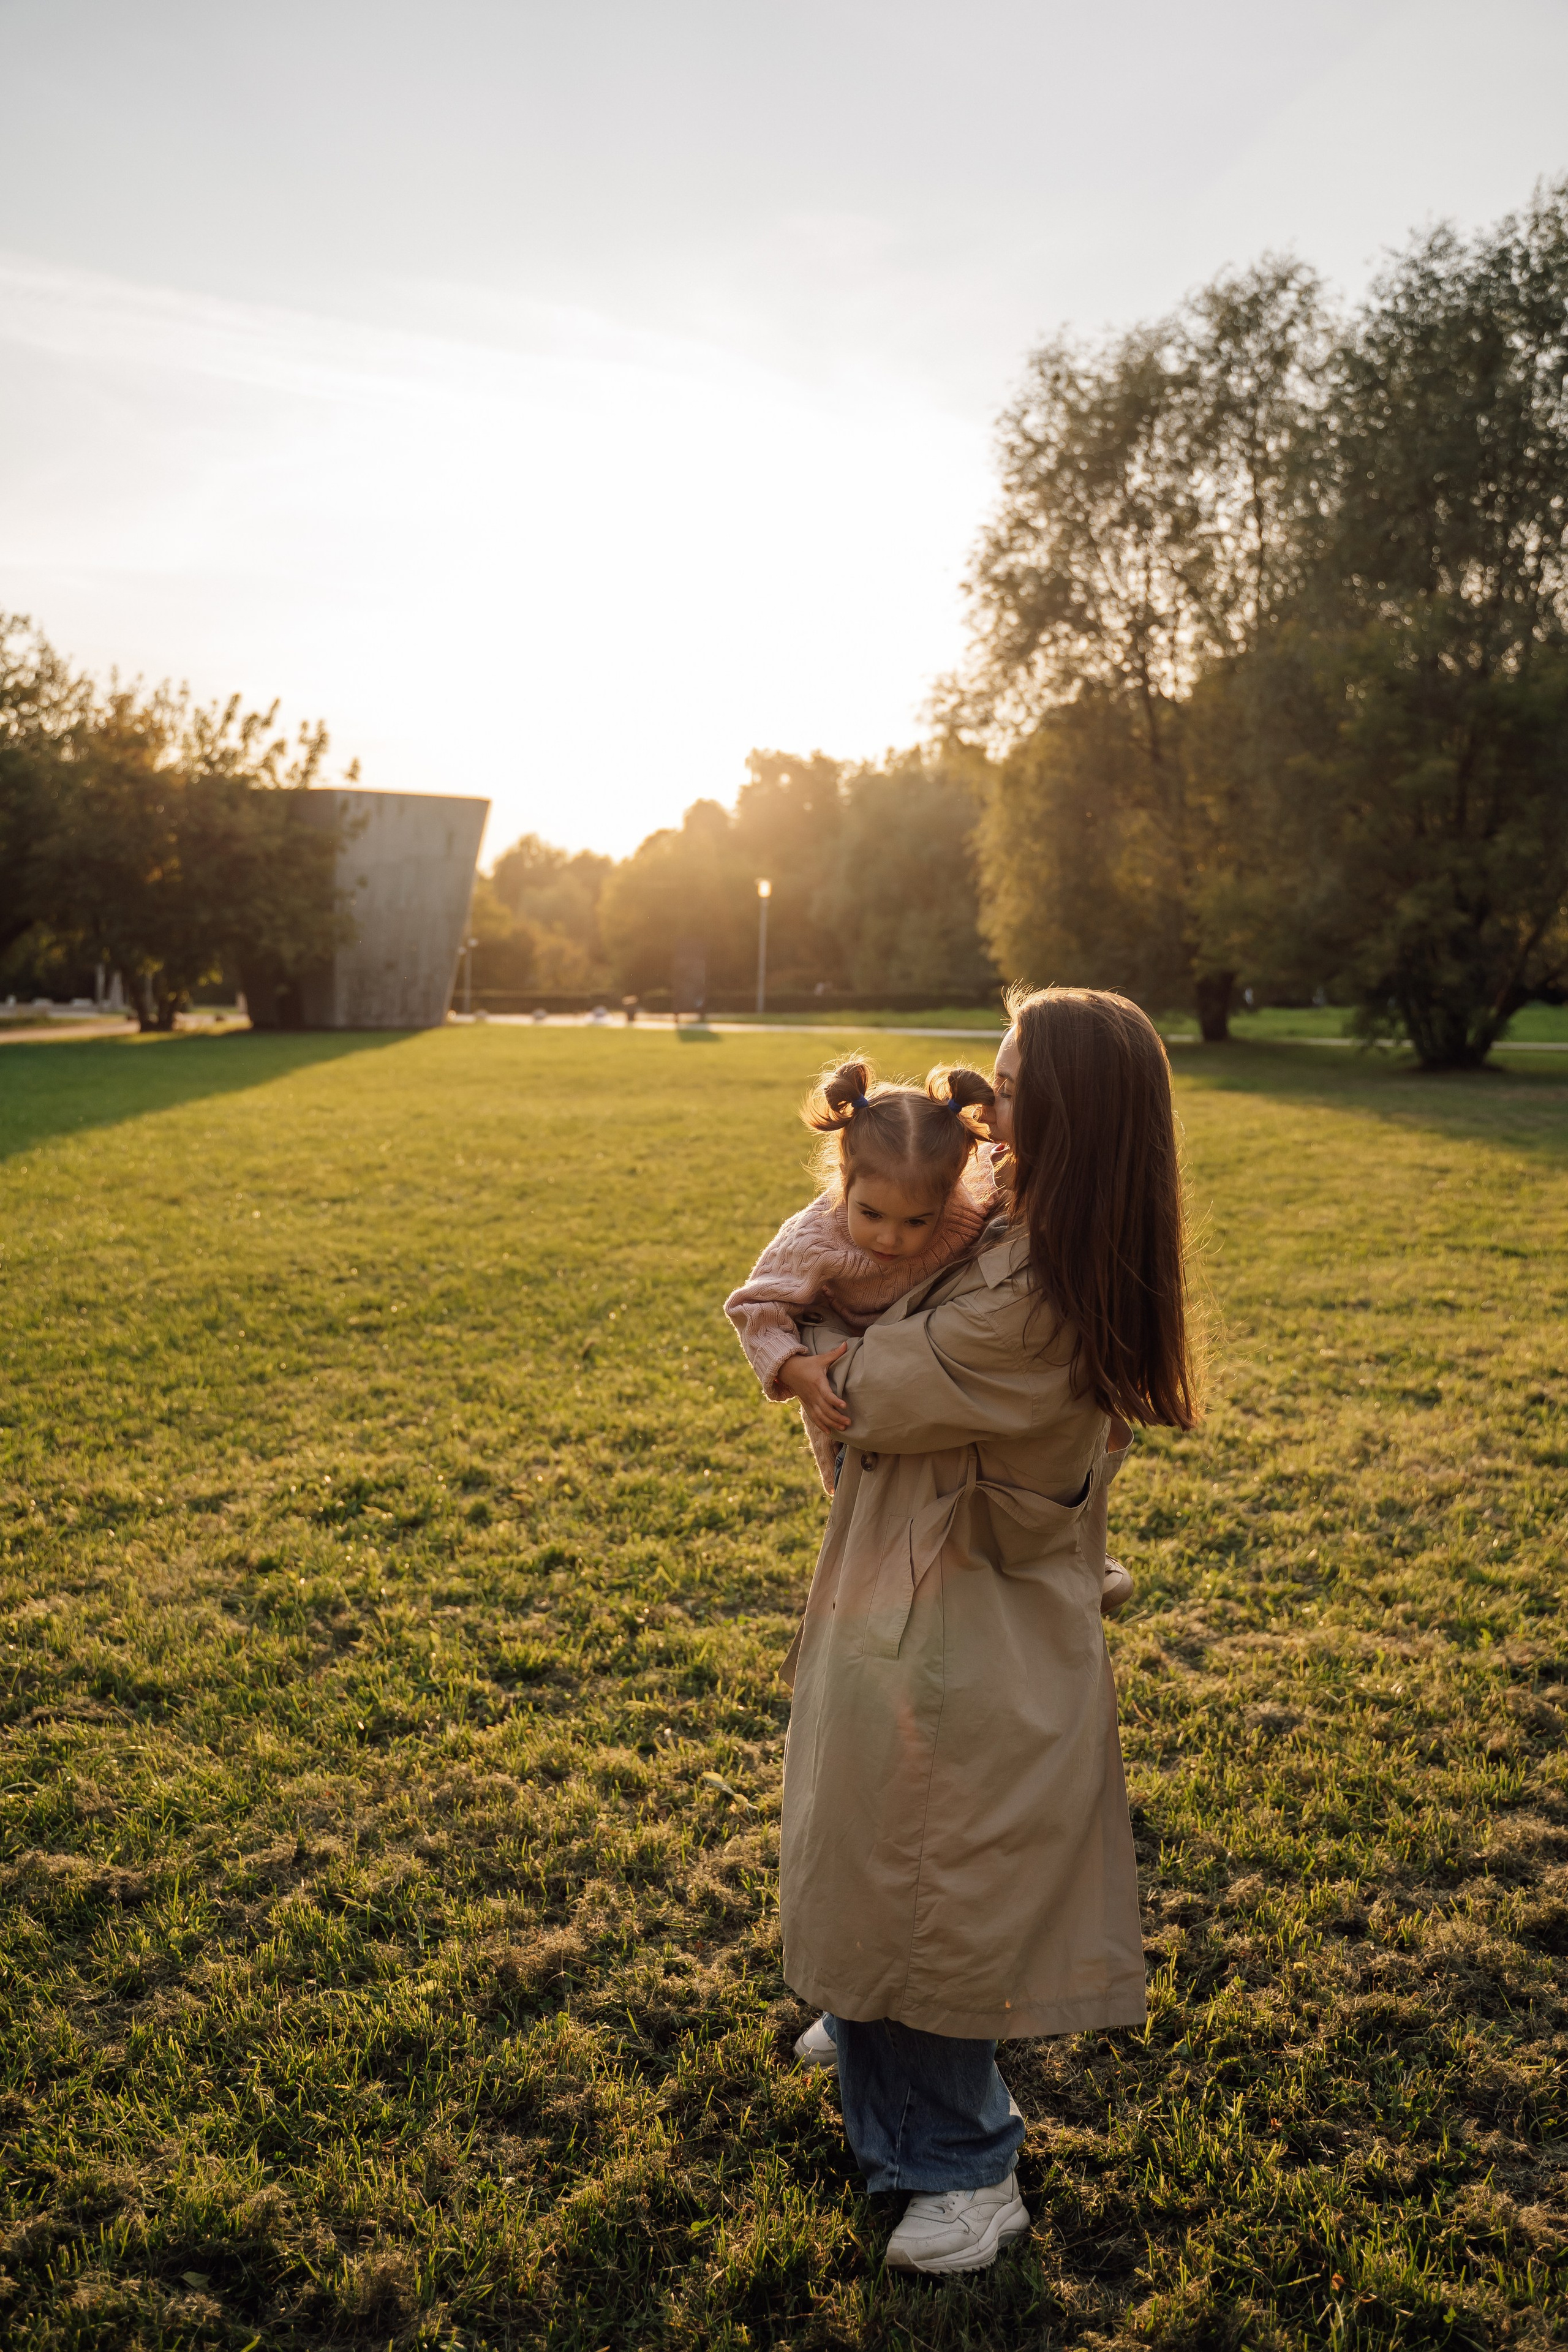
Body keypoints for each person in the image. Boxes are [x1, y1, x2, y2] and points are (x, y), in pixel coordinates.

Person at [774, 986, 1199, 2275]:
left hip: (960, 1615)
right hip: (916, 1583)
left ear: (1064, 1109)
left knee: (922, 1882)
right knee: (873, 1845)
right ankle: (863, 2023)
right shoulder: (1017, 1218)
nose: (975, 1096)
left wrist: (805, 1325)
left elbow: (867, 1387)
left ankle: (963, 2169)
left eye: (1004, 1082)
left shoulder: (1036, 1287)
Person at [725, 1057, 1135, 1615]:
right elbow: (755, 1305)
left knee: (1084, 1419)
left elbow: (1003, 1183)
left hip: (936, 1350)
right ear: (844, 1176)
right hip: (858, 1403)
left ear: (946, 1196)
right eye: (870, 1214)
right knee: (886, 1500)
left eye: (917, 1221)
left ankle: (1080, 1547)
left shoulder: (965, 1210)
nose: (890, 1238)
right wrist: (792, 1367)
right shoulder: (815, 1239)